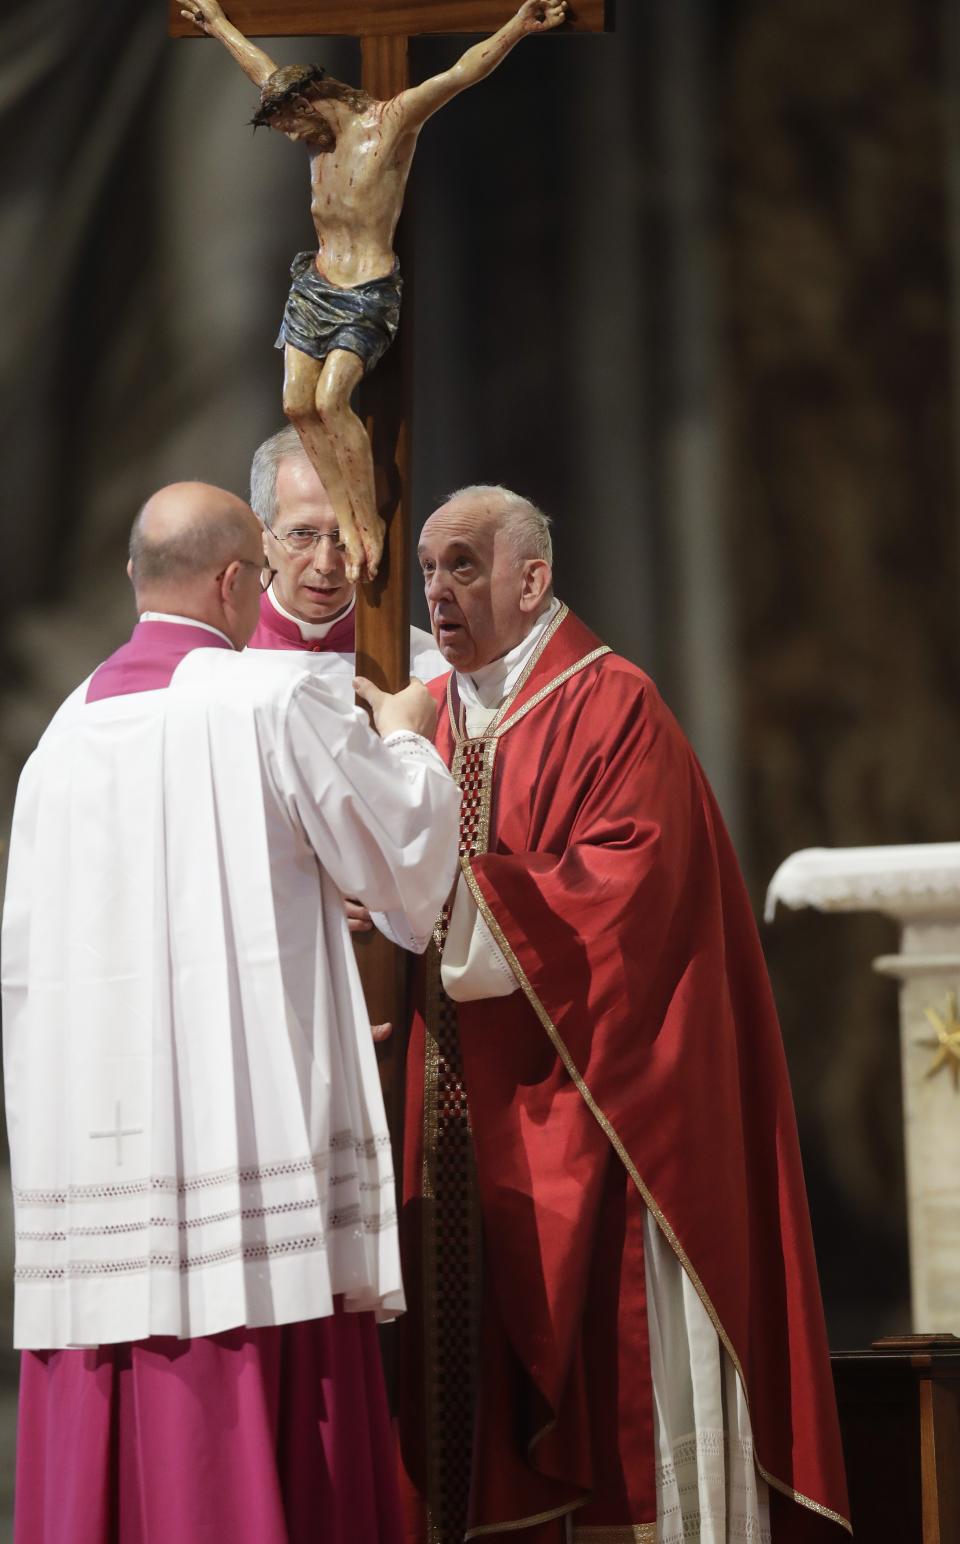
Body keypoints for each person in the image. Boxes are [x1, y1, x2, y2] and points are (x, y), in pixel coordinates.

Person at [2, 481, 461, 1544]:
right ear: (235, 581)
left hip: (97, 1168)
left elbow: (39, 968)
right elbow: (403, 864)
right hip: (241, 1166)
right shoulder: (264, 696)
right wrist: (403, 733)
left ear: (132, 577)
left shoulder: (56, 742)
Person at [398, 485, 850, 1543]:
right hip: (477, 1123)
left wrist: (434, 883)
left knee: (630, 1394)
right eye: (428, 569)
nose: (438, 590)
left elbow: (617, 895)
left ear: (533, 576)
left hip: (612, 1112)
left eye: (463, 564)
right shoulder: (436, 710)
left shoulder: (613, 704)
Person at [179, 0, 568, 582]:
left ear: (311, 102)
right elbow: (262, 69)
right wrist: (218, 24)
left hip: (365, 288)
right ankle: (346, 509)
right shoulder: (314, 135)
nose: (292, 139)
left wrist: (518, 24)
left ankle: (368, 522)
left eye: (293, 125)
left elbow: (461, 72)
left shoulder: (388, 124)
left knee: (333, 400)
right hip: (316, 285)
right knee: (295, 405)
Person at [248, 424, 446, 682]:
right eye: (302, 534)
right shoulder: (219, 655)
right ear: (260, 534)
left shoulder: (426, 664)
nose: (325, 564)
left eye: (345, 537)